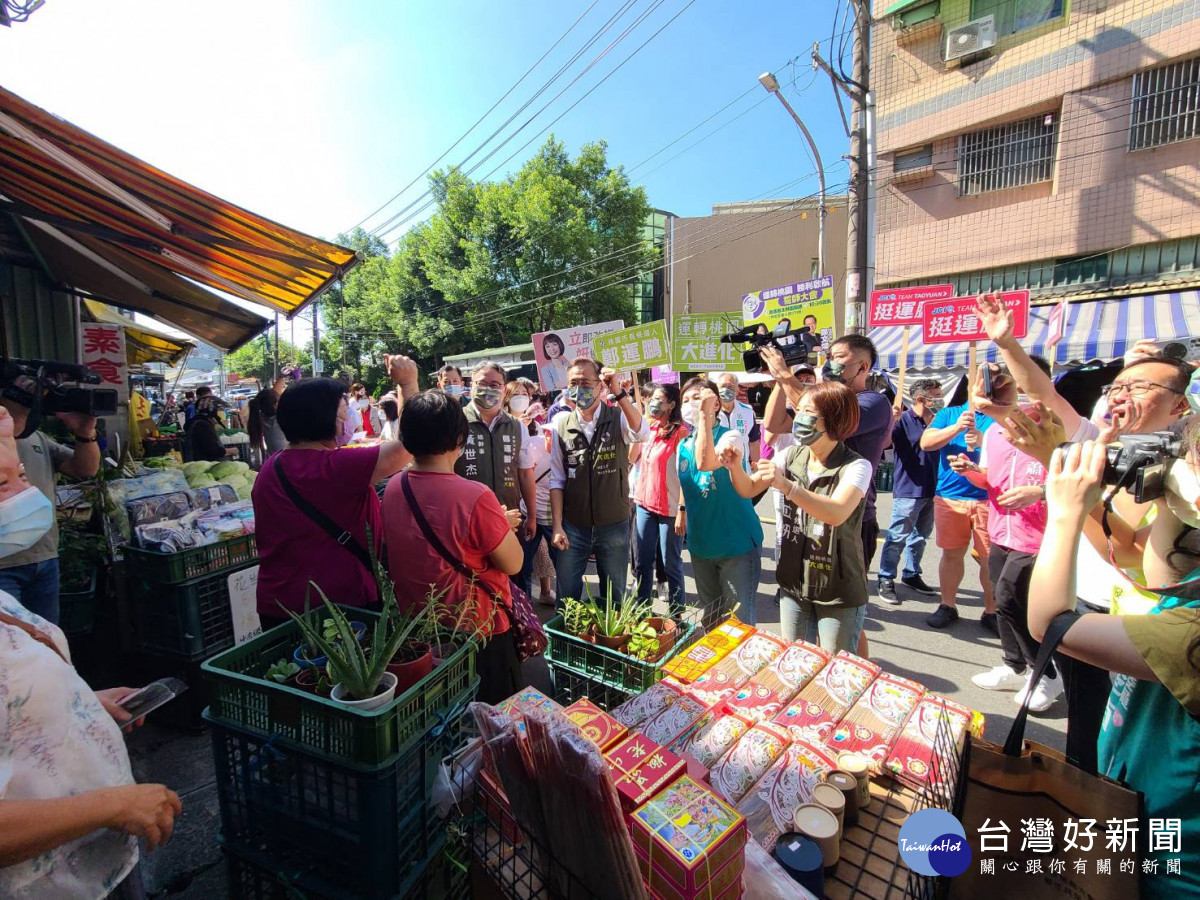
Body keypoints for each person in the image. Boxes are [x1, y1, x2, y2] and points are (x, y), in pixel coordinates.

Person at [972, 292, 1193, 769]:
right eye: (1118, 385)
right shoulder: (1094, 444)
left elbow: (1131, 552)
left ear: (1179, 408)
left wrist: (1062, 486)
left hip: (1148, 627)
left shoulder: (1182, 473)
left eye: (1141, 387)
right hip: (1084, 604)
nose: (1121, 394)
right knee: (1088, 735)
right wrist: (1007, 341)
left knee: (1138, 749)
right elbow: (1044, 395)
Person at [0, 405, 181, 899]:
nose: (28, 496)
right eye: (2, 487)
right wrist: (109, 807)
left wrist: (81, 702)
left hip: (93, 865)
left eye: (18, 475)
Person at [1029, 436, 1200, 899]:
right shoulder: (1191, 591)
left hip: (1168, 872)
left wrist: (1063, 513)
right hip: (1138, 826)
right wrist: (1172, 500)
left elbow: (1050, 624)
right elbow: (1155, 569)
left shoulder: (1193, 632)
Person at [382, 390, 524, 704]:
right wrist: (502, 524)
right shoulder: (474, 495)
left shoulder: (395, 486)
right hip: (479, 630)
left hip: (421, 630)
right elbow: (513, 563)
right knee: (491, 722)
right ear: (460, 437)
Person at [252, 358, 418, 622]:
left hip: (279, 606)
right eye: (341, 411)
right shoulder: (335, 467)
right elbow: (410, 444)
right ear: (324, 417)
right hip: (338, 609)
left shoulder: (272, 467)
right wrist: (407, 384)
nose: (345, 417)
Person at [950, 362, 1064, 711]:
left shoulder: (1058, 429)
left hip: (1039, 537)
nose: (1001, 391)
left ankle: (1046, 673)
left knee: (1012, 599)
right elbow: (990, 481)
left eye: (1009, 383)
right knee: (1001, 601)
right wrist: (971, 472)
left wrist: (1040, 492)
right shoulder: (996, 434)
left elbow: (1076, 482)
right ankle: (1014, 664)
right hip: (1000, 530)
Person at [755, 381, 871, 651]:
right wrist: (733, 465)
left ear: (833, 418)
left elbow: (836, 512)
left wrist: (788, 486)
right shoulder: (790, 454)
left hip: (837, 587)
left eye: (809, 412)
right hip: (794, 581)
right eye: (799, 410)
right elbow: (748, 488)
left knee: (836, 666)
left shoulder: (856, 466)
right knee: (795, 660)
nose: (799, 418)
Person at [549, 358, 649, 605]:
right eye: (574, 382)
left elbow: (642, 432)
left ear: (600, 386)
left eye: (585, 382)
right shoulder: (561, 423)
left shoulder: (618, 417)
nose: (579, 388)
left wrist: (619, 392)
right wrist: (558, 526)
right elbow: (557, 479)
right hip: (573, 525)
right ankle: (567, 641)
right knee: (567, 596)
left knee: (614, 595)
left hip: (613, 523)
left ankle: (610, 640)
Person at [0, 379, 100, 623]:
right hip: (3, 566)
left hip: (43, 557)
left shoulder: (37, 438)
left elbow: (85, 469)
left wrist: (85, 433)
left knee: (46, 639)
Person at [677, 378, 764, 626]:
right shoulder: (683, 444)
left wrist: (705, 417)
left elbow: (706, 463)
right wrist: (681, 509)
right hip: (701, 545)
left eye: (698, 398)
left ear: (715, 404)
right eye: (686, 400)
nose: (691, 404)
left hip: (735, 544)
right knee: (712, 615)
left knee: (738, 620)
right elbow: (687, 481)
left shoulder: (732, 437)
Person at [454, 362, 534, 555]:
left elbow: (525, 473)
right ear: (470, 385)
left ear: (504, 389)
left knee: (510, 577)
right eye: (482, 383)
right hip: (467, 521)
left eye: (494, 385)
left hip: (511, 520)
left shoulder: (517, 426)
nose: (488, 389)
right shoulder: (455, 422)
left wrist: (532, 515)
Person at [876, 379, 943, 605]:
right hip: (909, 487)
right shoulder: (903, 421)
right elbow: (883, 444)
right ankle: (886, 578)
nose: (940, 399)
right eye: (936, 395)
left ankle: (912, 573)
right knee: (898, 537)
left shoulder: (937, 420)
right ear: (921, 399)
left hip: (933, 487)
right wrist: (890, 422)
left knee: (921, 536)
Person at [631, 383, 687, 612]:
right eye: (651, 398)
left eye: (660, 400)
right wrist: (639, 429)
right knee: (642, 563)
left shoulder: (681, 433)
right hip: (644, 504)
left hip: (670, 509)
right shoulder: (649, 428)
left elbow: (686, 475)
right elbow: (631, 457)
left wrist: (682, 510)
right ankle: (641, 611)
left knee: (671, 564)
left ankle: (677, 615)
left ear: (672, 404)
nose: (654, 403)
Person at [507, 379, 556, 602]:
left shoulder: (530, 428)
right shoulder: (505, 427)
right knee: (520, 566)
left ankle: (544, 600)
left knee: (546, 561)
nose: (521, 398)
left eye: (525, 394)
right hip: (515, 509)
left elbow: (528, 472)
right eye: (515, 393)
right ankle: (523, 610)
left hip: (539, 513)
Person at [711, 371, 760, 464]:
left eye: (730, 387)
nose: (726, 390)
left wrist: (757, 467)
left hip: (742, 468)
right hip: (716, 468)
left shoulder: (748, 412)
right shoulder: (710, 412)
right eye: (722, 386)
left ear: (737, 390)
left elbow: (753, 442)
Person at [183, 396, 236, 463]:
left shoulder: (198, 422)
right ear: (213, 410)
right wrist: (232, 450)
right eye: (220, 409)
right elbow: (214, 450)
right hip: (200, 466)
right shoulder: (202, 425)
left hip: (198, 463)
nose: (223, 412)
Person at [248, 377, 288, 464]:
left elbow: (273, 394)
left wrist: (282, 376)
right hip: (284, 461)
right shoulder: (281, 417)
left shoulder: (261, 417)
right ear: (274, 405)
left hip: (272, 460)